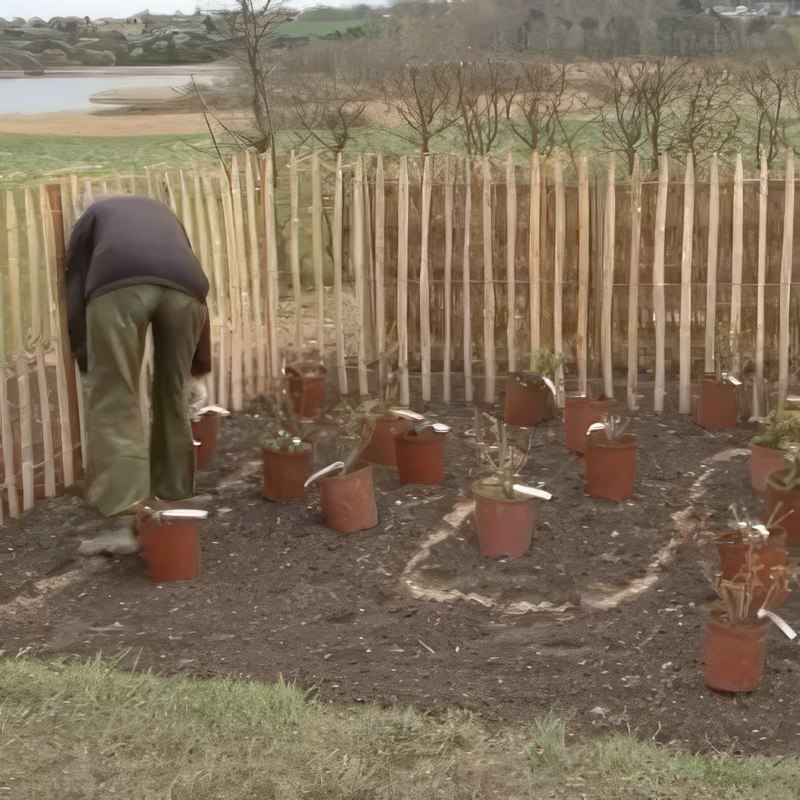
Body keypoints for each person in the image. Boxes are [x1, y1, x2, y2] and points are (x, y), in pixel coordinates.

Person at [65, 194, 211, 553]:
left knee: (116, 400)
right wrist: (198, 367)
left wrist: (85, 355)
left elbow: (75, 283)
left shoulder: (92, 217)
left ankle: (125, 519)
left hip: (119, 286)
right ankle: (172, 502)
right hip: (186, 290)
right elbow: (197, 291)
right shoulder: (166, 218)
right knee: (172, 394)